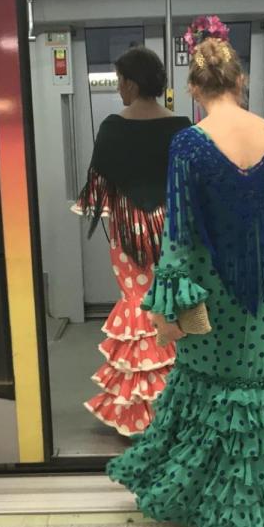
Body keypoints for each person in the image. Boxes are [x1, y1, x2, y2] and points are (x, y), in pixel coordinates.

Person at [107, 17, 264, 527]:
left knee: (207, 393)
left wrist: (168, 307)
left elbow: (179, 235)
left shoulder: (189, 144)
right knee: (261, 391)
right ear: (241, 81)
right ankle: (260, 524)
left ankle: (215, 511)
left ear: (197, 89)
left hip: (208, 296)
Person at [74, 46, 192, 436]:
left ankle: (140, 408)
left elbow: (98, 188)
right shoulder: (181, 126)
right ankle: (175, 404)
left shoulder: (112, 127)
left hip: (128, 229)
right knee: (172, 306)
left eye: (121, 80)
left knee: (137, 304)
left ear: (132, 82)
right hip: (172, 229)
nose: (119, 88)